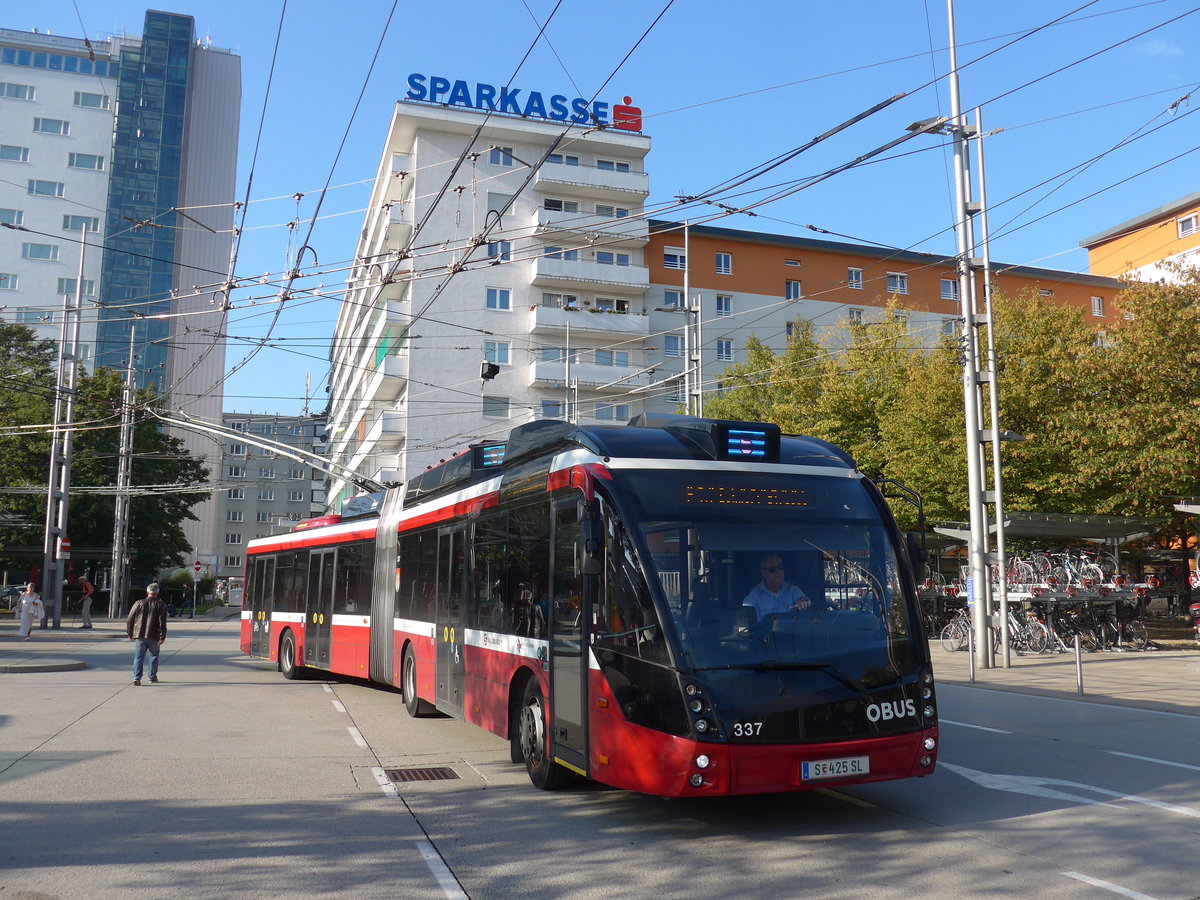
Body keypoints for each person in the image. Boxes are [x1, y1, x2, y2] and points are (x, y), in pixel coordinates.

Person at [743, 553, 811, 621]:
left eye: (780, 567)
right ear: (763, 573)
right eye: (772, 569)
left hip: (791, 631)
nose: (778, 572)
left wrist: (802, 602)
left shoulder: (792, 590)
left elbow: (804, 600)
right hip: (764, 631)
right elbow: (749, 624)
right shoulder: (753, 595)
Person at [126, 582, 168, 685]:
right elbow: (162, 621)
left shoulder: (139, 603)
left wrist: (130, 632)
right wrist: (162, 636)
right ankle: (152, 677)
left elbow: (130, 619)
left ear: (147, 592)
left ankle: (136, 677)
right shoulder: (161, 604)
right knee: (154, 656)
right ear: (157, 593)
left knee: (139, 656)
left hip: (140, 634)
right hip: (154, 635)